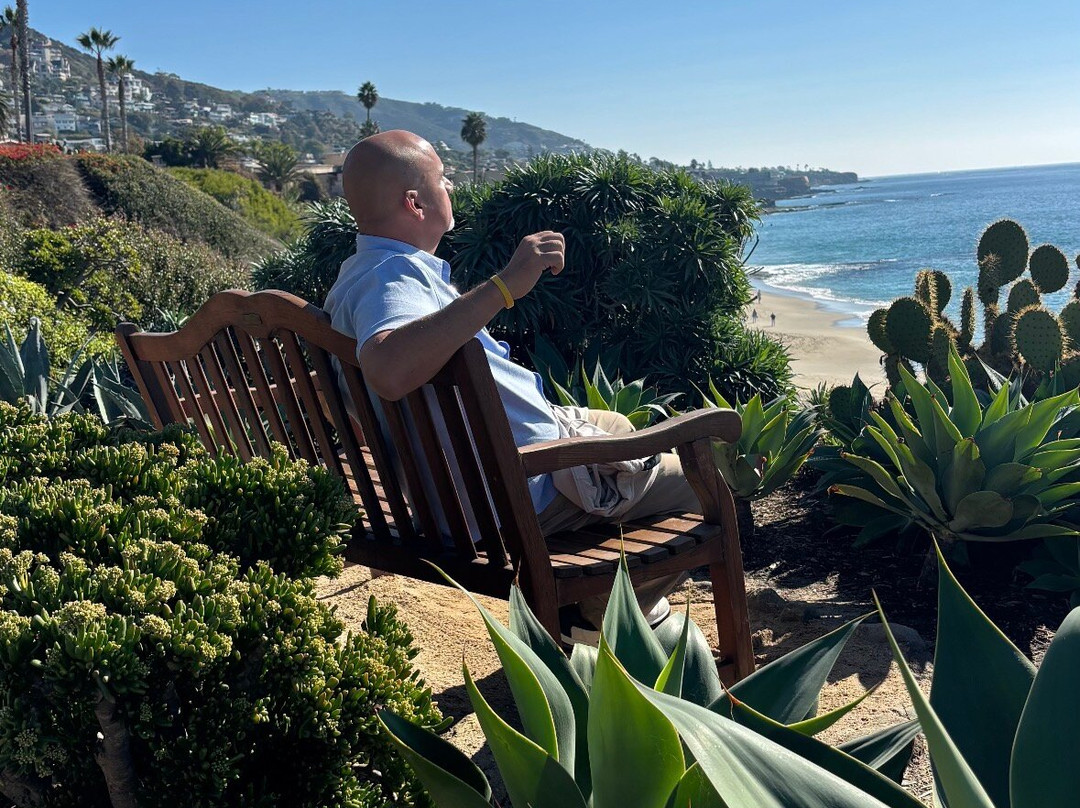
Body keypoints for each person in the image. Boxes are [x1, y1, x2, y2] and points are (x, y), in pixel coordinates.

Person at [324, 130, 699, 632]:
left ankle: (604, 595)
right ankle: (592, 616)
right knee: (704, 480)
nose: (450, 185)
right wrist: (505, 286)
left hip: (472, 481)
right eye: (442, 178)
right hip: (514, 496)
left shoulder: (358, 274)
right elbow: (389, 369)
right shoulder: (391, 277)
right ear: (414, 203)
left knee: (614, 423)